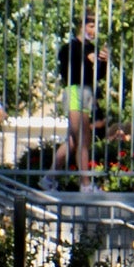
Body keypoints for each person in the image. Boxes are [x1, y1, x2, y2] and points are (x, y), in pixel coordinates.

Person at [49, 11, 109, 191]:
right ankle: (85, 184)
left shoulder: (92, 48)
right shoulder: (70, 47)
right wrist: (86, 59)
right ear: (81, 27)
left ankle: (49, 178)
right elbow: (69, 69)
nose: (93, 31)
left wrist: (103, 62)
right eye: (91, 26)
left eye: (95, 27)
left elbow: (98, 75)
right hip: (75, 91)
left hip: (88, 93)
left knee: (75, 141)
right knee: (82, 138)